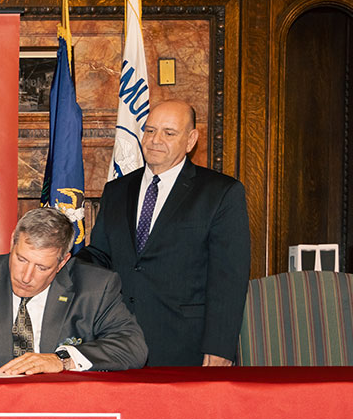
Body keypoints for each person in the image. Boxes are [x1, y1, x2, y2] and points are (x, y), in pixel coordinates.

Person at [75, 101, 250, 366]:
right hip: (118, 342)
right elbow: (101, 255)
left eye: (169, 133)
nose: (155, 140)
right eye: (150, 130)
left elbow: (228, 278)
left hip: (186, 346)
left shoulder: (221, 193)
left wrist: (220, 347)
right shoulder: (116, 190)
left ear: (191, 140)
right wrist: (59, 263)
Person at [0, 207, 147, 374]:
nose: (26, 277)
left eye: (42, 267)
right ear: (12, 243)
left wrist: (62, 360)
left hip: (65, 413)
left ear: (63, 262)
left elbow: (132, 346)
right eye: (21, 259)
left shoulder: (95, 287)